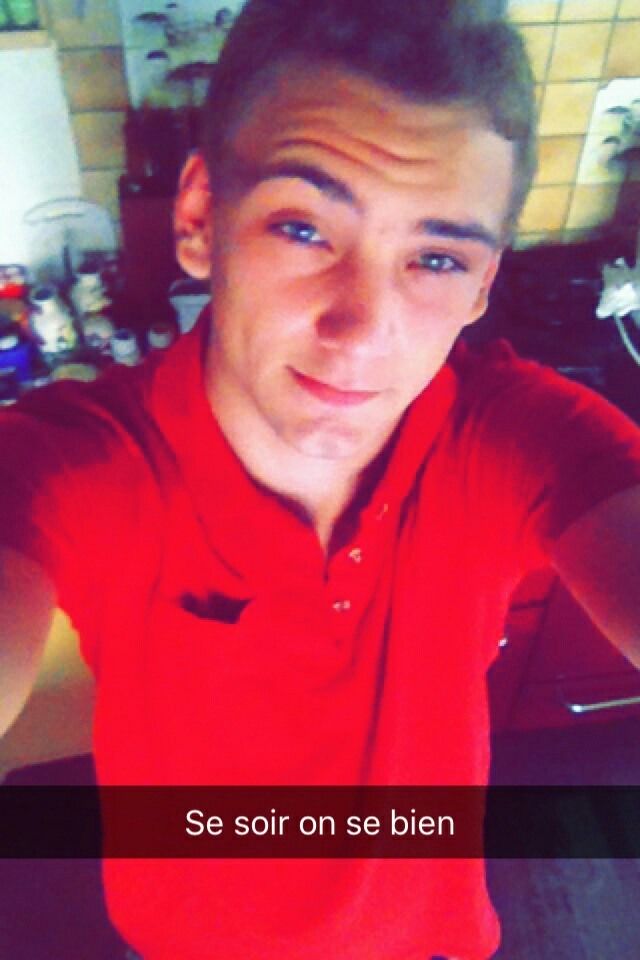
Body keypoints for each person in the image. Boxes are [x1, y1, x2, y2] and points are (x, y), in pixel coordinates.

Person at [1, 1, 640, 958]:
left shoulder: (514, 438)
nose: (362, 329)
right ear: (199, 217)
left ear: (481, 285)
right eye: (303, 229)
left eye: (435, 258)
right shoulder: (79, 461)